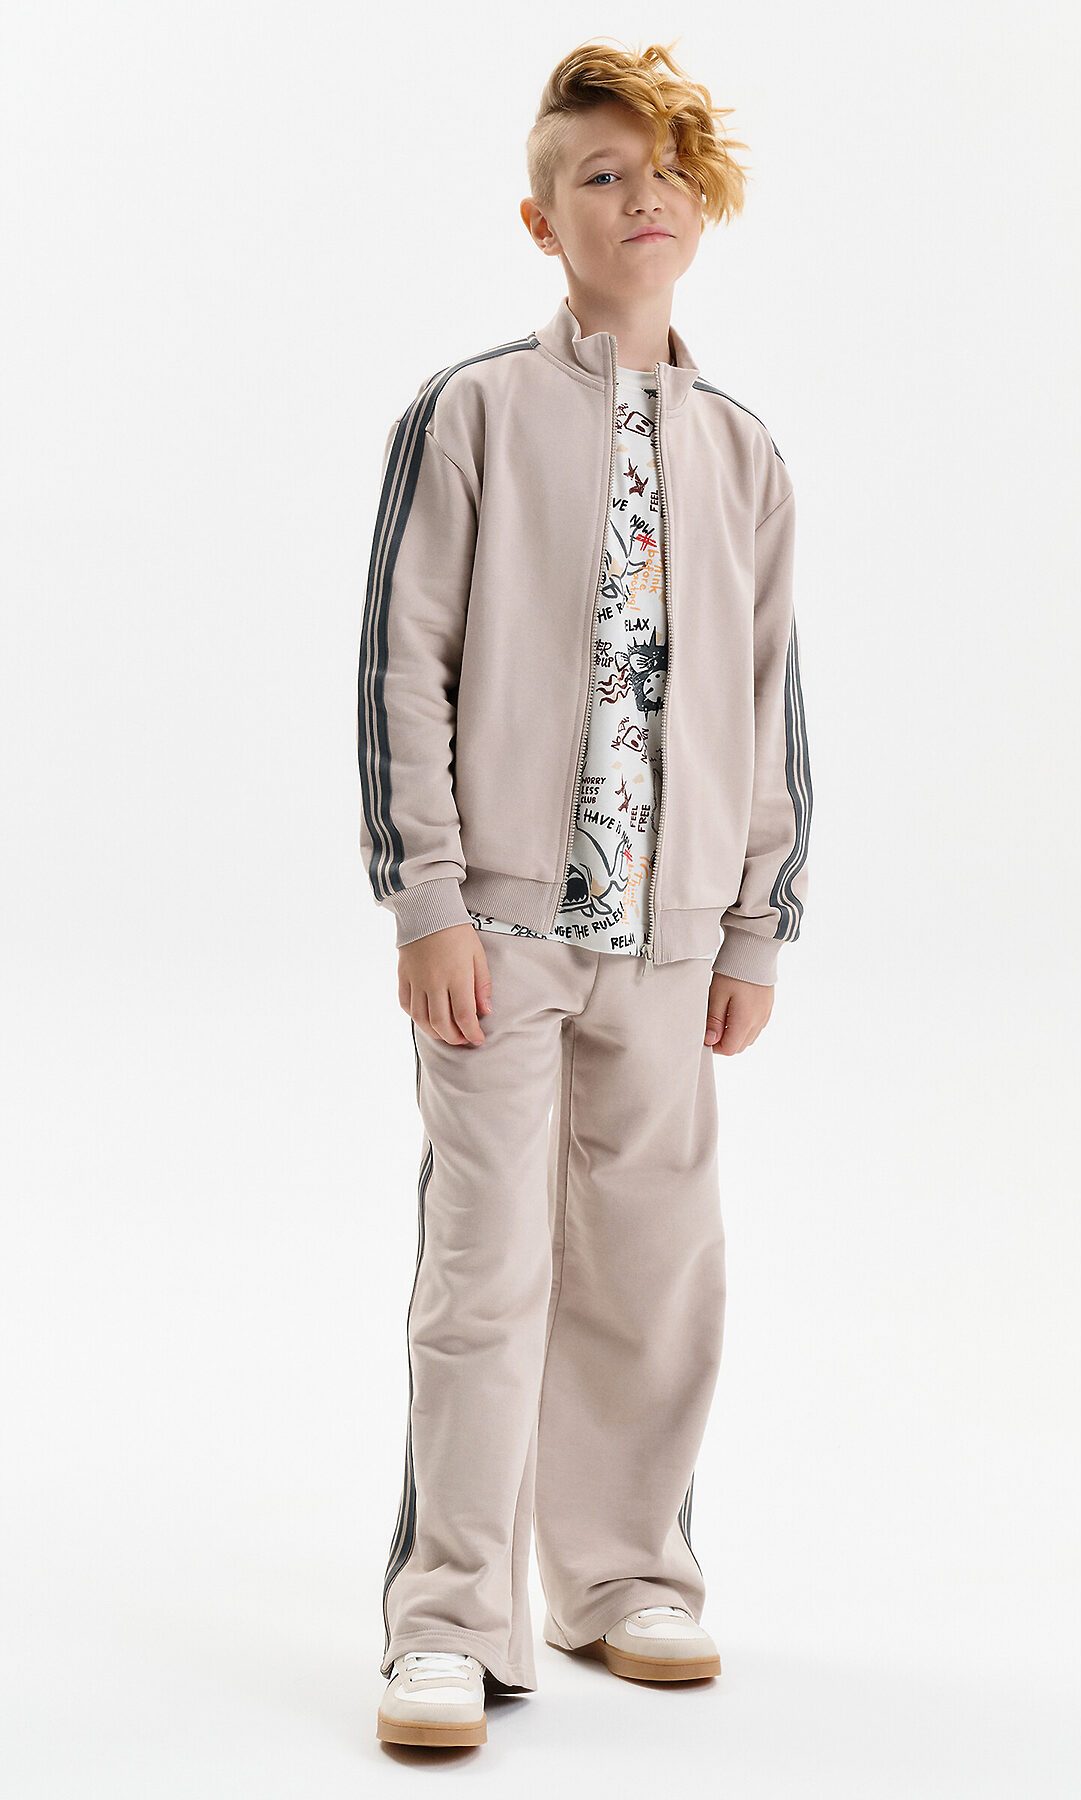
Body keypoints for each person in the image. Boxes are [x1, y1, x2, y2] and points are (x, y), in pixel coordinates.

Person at [357, 36, 813, 1750]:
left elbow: (769, 699)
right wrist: (426, 898)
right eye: (602, 175)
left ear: (702, 209)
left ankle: (624, 1577)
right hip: (498, 933)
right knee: (484, 1268)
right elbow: (403, 663)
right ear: (543, 220)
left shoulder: (746, 454)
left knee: (654, 1270)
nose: (641, 198)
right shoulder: (470, 414)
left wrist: (754, 919)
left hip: (671, 941)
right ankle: (450, 1616)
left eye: (665, 173)